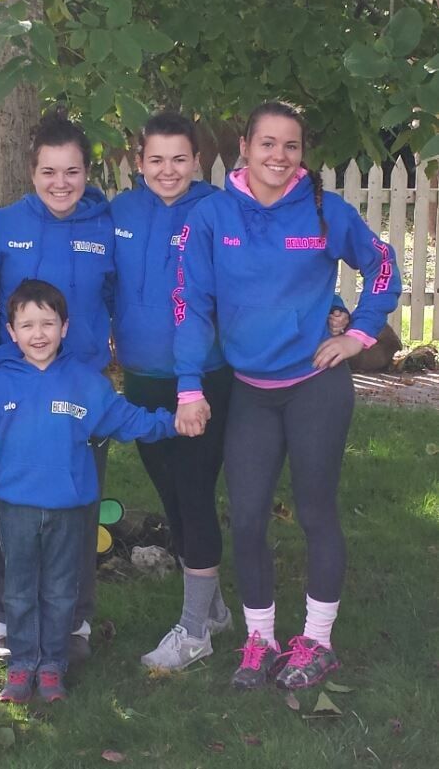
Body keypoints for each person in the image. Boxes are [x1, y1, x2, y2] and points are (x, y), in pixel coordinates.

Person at [174, 100, 401, 690]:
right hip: (251, 390)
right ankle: (260, 639)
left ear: (303, 155)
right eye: (268, 143)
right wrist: (189, 384)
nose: (279, 156)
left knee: (315, 512)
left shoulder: (325, 212)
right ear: (243, 148)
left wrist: (356, 334)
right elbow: (192, 303)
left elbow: (381, 265)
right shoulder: (212, 216)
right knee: (247, 519)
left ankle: (318, 642)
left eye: (291, 145)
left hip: (314, 388)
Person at [0, 280, 178, 702]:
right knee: (20, 588)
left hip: (70, 509)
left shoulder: (87, 385)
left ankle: (52, 666)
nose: (39, 333)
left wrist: (177, 421)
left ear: (65, 327)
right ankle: (22, 662)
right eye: (27, 325)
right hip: (15, 509)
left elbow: (130, 420)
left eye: (48, 323)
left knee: (63, 588)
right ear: (11, 332)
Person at [0, 108, 115, 663]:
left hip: (81, 394)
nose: (61, 183)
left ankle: (73, 621)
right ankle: (4, 619)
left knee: (79, 504)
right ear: (31, 172)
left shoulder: (107, 228)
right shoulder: (0, 227)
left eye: (73, 172)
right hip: (11, 391)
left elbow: (124, 300)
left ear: (87, 173)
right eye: (49, 172)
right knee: (1, 505)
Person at [110, 112, 235, 670]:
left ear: (197, 161)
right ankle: (215, 610)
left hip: (202, 382)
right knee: (170, 496)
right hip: (140, 382)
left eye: (179, 158)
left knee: (193, 492)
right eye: (156, 159)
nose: (168, 170)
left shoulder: (216, 209)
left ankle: (193, 632)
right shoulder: (119, 211)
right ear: (139, 163)